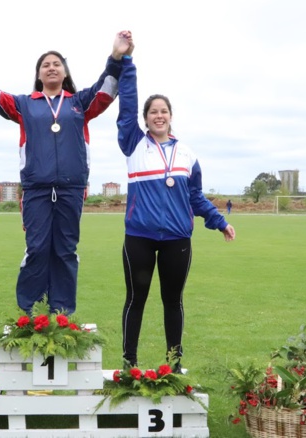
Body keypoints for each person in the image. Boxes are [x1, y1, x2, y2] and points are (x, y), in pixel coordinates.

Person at [0, 31, 133, 315]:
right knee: (36, 249)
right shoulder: (25, 104)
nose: (51, 67)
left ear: (64, 72)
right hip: (36, 189)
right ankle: (30, 312)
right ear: (38, 74)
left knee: (65, 251)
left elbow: (107, 89)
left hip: (71, 189)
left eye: (56, 64)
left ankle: (61, 313)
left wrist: (116, 56)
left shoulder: (79, 103)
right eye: (45, 64)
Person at [116, 48, 236, 371]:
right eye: (153, 111)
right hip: (139, 237)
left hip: (177, 239)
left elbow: (195, 197)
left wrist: (218, 220)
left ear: (171, 116)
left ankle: (174, 362)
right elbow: (126, 106)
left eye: (163, 111)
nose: (158, 115)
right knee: (135, 300)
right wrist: (127, 63)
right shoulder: (133, 144)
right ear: (145, 119)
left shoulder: (187, 155)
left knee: (173, 301)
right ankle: (130, 362)